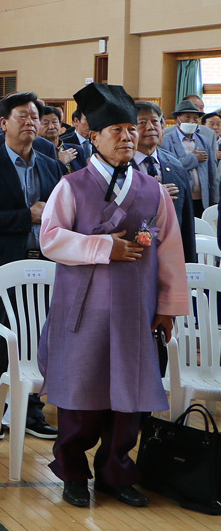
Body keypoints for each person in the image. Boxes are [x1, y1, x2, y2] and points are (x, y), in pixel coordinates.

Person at [38, 83, 187, 508]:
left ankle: (114, 470)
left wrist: (168, 307)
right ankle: (71, 472)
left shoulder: (152, 189)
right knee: (81, 395)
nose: (127, 137)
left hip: (135, 311)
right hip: (83, 310)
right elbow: (50, 240)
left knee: (130, 399)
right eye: (117, 130)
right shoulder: (72, 185)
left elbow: (171, 253)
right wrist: (105, 247)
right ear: (93, 136)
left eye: (131, 129)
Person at [0, 92, 61, 440]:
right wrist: (28, 216)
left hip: (44, 263)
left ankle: (32, 409)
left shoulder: (51, 164)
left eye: (35, 116)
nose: (31, 123)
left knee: (39, 337)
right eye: (23, 116)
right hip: (0, 265)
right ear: (4, 123)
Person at [132, 101, 197, 264]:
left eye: (155, 121)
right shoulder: (119, 168)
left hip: (169, 258)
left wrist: (188, 263)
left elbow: (186, 221)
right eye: (142, 122)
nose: (150, 127)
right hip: (132, 258)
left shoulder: (175, 165)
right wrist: (152, 196)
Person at [161, 99, 217, 212]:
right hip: (179, 197)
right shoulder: (167, 139)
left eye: (195, 118)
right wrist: (193, 158)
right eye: (187, 117)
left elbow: (212, 172)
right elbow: (169, 167)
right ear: (177, 119)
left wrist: (214, 199)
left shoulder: (203, 140)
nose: (192, 121)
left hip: (202, 199)